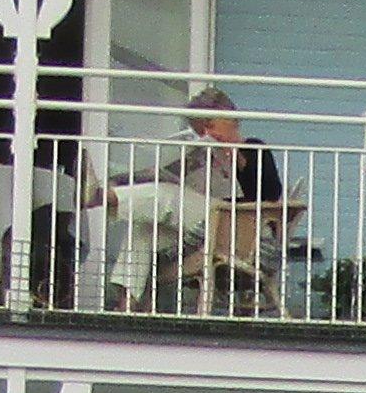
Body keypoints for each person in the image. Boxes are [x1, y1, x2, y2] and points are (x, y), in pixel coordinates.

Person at [112, 91, 299, 314]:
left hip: (244, 235)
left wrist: (236, 157)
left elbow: (271, 193)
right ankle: (127, 306)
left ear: (231, 120)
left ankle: (105, 196)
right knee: (143, 226)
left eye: (210, 126)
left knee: (167, 193)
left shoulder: (254, 149)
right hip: (203, 230)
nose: (207, 134)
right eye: (201, 130)